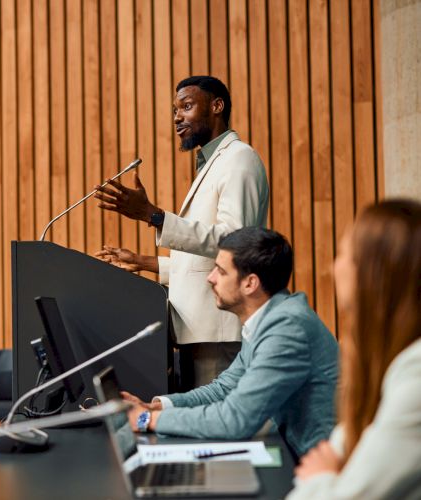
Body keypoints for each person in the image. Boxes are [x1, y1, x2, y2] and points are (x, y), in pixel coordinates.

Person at [95, 76, 269, 389]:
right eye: (176, 110)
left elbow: (234, 243)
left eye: (186, 106)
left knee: (213, 433)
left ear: (217, 106)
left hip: (218, 332)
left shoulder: (239, 158)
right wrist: (143, 262)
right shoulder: (212, 163)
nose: (177, 117)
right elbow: (205, 265)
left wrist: (154, 215)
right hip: (195, 333)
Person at [121, 227, 338, 458]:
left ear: (250, 284)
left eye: (221, 271)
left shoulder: (286, 328)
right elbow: (224, 389)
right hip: (300, 455)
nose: (210, 277)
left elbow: (235, 420)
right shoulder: (269, 318)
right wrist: (157, 407)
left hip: (325, 470)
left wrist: (147, 420)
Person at [287, 199, 421, 499]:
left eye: (343, 254)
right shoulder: (389, 356)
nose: (334, 266)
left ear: (373, 272)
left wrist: (320, 478)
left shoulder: (417, 374)